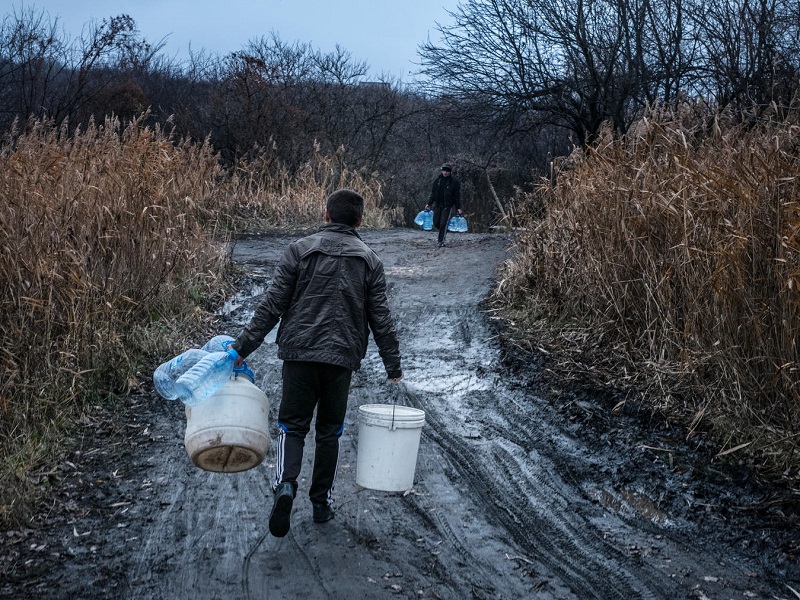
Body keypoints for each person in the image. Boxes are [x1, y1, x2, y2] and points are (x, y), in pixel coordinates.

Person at [230, 189, 403, 538]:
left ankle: (285, 486)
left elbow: (272, 304)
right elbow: (380, 319)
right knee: (329, 432)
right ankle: (321, 501)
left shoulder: (299, 250)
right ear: (360, 220)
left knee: (292, 425)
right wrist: (393, 366)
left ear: (326, 214)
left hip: (300, 352)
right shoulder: (370, 260)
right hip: (341, 359)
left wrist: (241, 348)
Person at [425, 162, 462, 247]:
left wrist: (458, 208)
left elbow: (457, 196)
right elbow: (433, 193)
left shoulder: (454, 182)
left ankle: (441, 241)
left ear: (450, 172)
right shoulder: (437, 181)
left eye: (447, 171)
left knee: (443, 223)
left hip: (447, 206)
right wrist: (429, 203)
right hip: (437, 204)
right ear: (442, 171)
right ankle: (444, 231)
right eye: (444, 170)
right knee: (436, 222)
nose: (445, 172)